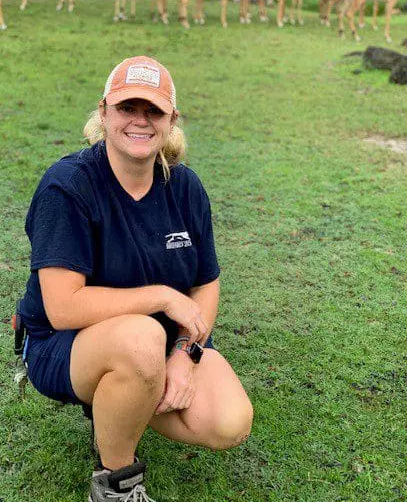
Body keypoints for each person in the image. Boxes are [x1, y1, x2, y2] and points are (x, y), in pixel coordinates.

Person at [19, 56, 253, 501]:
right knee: (141, 339)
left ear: (171, 121)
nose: (140, 121)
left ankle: (119, 398)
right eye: (127, 108)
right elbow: (62, 307)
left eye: (154, 111)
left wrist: (186, 353)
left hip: (152, 342)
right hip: (60, 343)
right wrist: (163, 296)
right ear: (104, 112)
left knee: (228, 421)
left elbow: (205, 283)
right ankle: (116, 482)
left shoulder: (185, 187)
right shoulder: (67, 186)